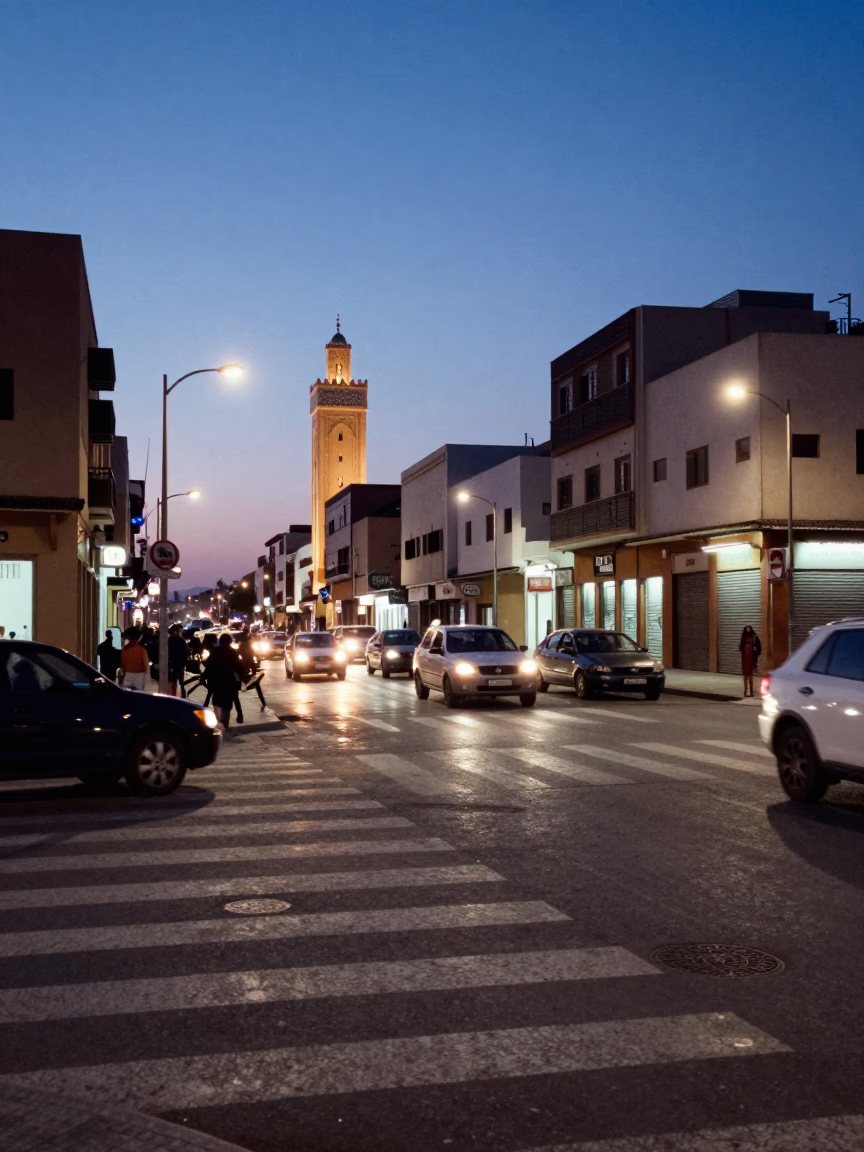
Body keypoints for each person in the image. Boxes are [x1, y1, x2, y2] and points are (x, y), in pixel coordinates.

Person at [205, 633, 243, 729]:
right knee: (228, 704)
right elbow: (239, 666)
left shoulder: (215, 650)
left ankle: (219, 722)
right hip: (229, 681)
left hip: (217, 681)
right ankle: (225, 724)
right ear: (230, 641)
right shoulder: (233, 652)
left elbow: (209, 665)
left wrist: (204, 677)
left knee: (217, 702)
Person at [237, 625, 267, 713]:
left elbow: (243, 650)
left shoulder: (244, 640)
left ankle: (251, 678)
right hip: (246, 663)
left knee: (255, 681)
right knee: (255, 682)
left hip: (246, 663)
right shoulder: (246, 640)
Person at [739, 624, 762, 697]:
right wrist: (744, 649)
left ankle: (751, 691)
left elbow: (759, 647)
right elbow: (740, 647)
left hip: (751, 657)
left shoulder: (755, 637)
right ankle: (745, 691)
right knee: (745, 674)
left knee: (750, 674)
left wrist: (756, 653)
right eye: (747, 628)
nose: (748, 630)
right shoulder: (744, 637)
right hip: (745, 657)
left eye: (749, 628)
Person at [168, 624, 189, 697]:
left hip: (172, 662)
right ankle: (182, 695)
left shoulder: (169, 639)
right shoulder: (180, 639)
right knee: (181, 681)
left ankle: (172, 694)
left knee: (173, 680)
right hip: (180, 662)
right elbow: (186, 651)